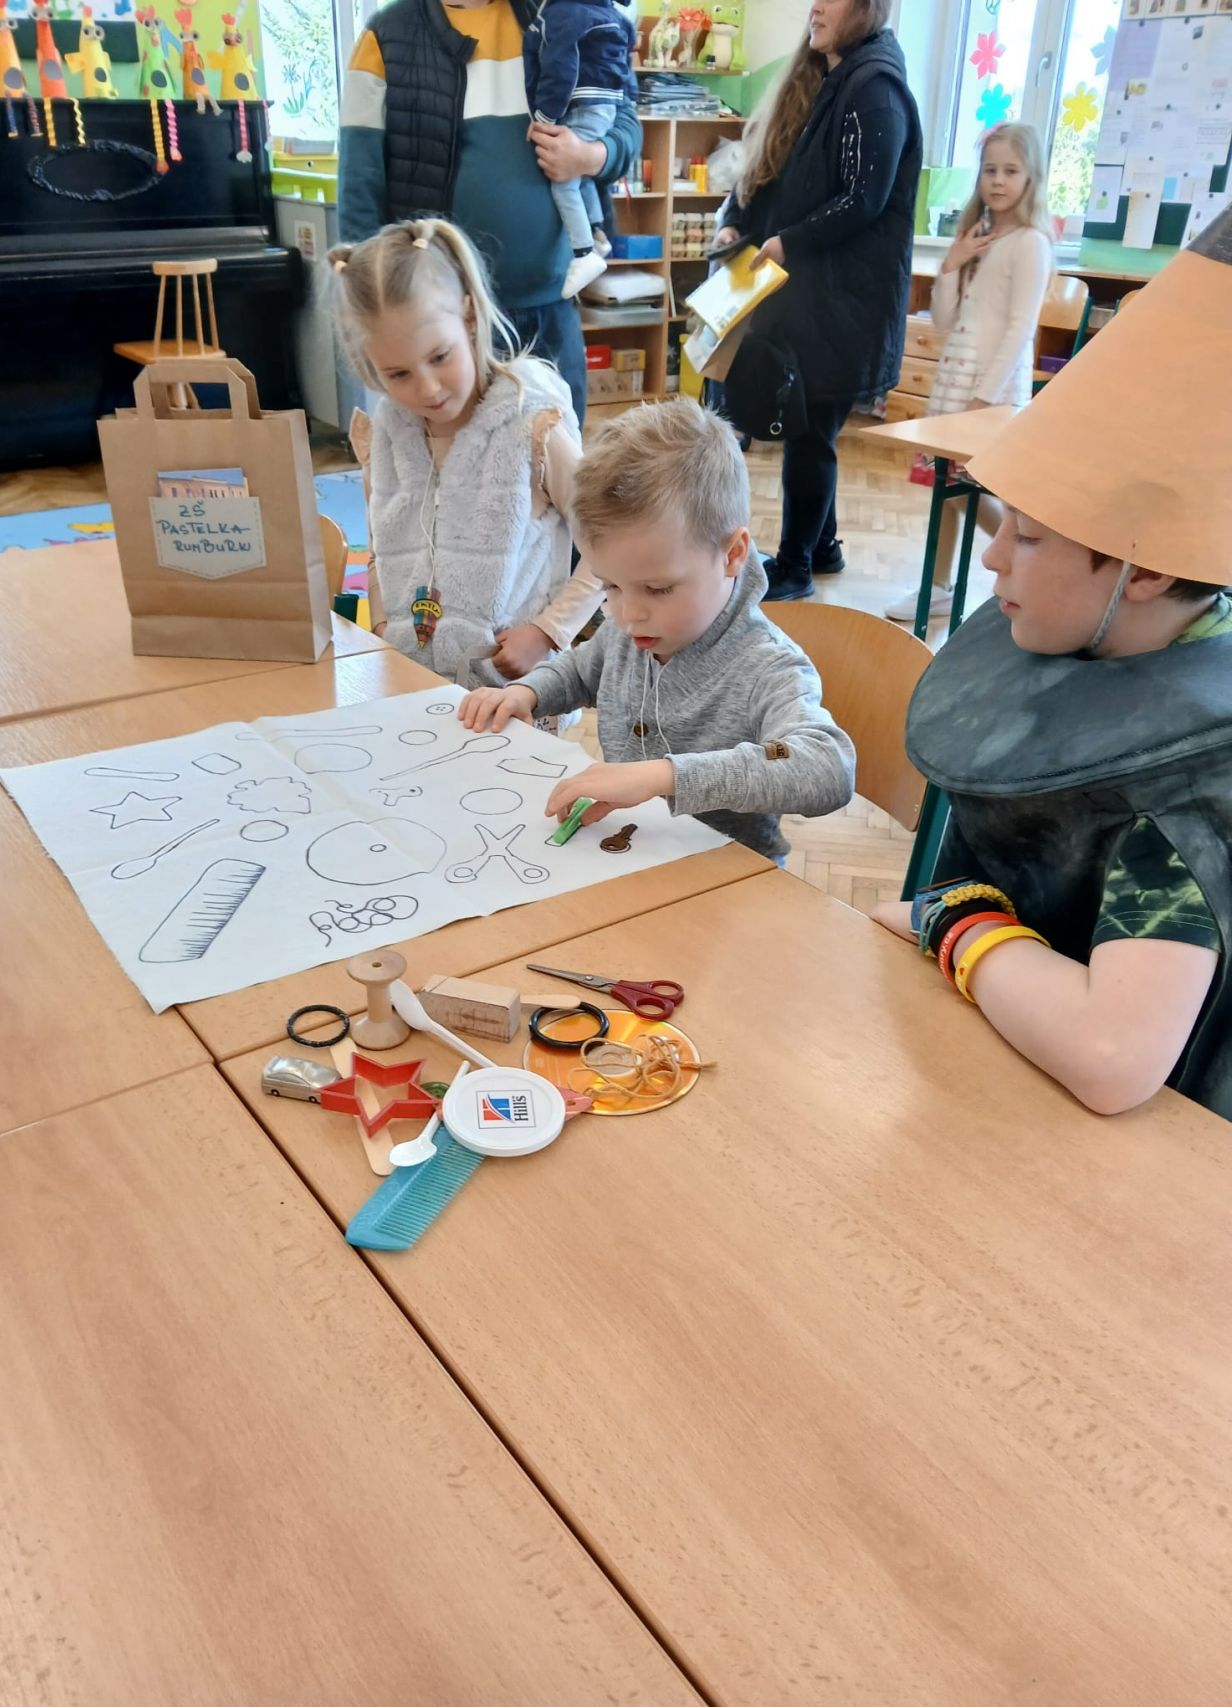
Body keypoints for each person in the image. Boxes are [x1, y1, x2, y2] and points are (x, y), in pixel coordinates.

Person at [873, 206, 1232, 1120]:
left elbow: (1114, 1058)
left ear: (1145, 568)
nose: (993, 558)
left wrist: (953, 921)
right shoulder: (1083, 634)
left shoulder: (1190, 772)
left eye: (1028, 537)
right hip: (991, 1073)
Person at [457, 398, 856, 861]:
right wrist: (527, 692)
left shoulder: (766, 665)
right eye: (610, 586)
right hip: (627, 856)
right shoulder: (629, 631)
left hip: (725, 879)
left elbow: (828, 765)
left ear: (732, 554)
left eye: (658, 589)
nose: (629, 615)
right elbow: (580, 671)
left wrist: (663, 777)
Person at [330, 218, 604, 690]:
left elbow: (611, 542)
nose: (428, 389)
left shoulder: (534, 429)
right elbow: (381, 550)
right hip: (416, 689)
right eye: (398, 374)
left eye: (440, 357)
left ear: (470, 317)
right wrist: (383, 625)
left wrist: (547, 633)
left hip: (516, 697)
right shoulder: (385, 439)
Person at [338, 0, 642, 422]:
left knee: (559, 452)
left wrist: (591, 156)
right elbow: (360, 181)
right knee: (453, 457)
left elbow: (625, 122)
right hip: (439, 325)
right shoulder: (385, 35)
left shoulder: (558, 11)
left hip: (550, 307)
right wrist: (368, 308)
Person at [715, 0, 921, 601]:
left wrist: (788, 242)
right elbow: (772, 173)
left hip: (844, 306)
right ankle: (823, 547)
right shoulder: (826, 78)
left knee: (810, 435)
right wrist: (736, 221)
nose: (815, 6)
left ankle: (797, 565)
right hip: (810, 299)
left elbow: (863, 199)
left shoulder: (875, 89)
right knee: (810, 427)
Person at [886, 124, 1053, 623]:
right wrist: (951, 264)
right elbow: (943, 320)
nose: (997, 181)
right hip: (954, 387)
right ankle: (938, 587)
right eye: (989, 170)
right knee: (947, 489)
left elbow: (1021, 328)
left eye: (1010, 171)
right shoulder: (978, 239)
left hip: (990, 394)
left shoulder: (1030, 243)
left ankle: (1037, 569)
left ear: (1031, 177)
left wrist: (984, 397)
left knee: (972, 492)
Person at [522, 0, 636, 300]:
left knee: (565, 184)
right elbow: (626, 75)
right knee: (580, 179)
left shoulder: (561, 13)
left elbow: (561, 68)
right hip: (601, 104)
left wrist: (545, 117)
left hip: (584, 104)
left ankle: (584, 252)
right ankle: (598, 234)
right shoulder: (611, 15)